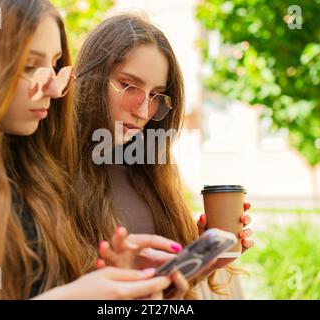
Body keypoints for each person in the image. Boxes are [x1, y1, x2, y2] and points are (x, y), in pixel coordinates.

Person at [0, 0, 183, 300]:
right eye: (30, 66)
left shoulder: (33, 178)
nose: (54, 88)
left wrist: (130, 286)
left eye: (56, 65)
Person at [72, 13, 253, 299]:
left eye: (156, 95)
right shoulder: (52, 173)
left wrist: (199, 268)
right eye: (130, 87)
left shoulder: (150, 170)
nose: (143, 112)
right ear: (91, 78)